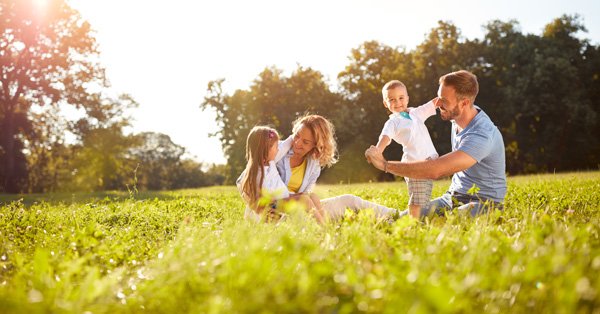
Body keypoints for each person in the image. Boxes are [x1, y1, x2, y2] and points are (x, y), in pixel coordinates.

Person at [365, 70, 507, 217]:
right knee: (406, 219)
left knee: (454, 219)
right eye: (439, 98)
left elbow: (435, 170)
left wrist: (385, 165)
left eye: (444, 101)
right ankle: (353, 206)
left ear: (464, 103)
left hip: (484, 203)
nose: (439, 104)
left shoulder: (482, 134)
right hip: (451, 198)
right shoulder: (456, 117)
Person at [276, 115, 399, 222]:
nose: (297, 143)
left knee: (349, 200)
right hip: (276, 211)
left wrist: (317, 212)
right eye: (296, 136)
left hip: (301, 208)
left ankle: (398, 216)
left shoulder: (313, 163)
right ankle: (323, 228)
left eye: (305, 142)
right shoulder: (276, 152)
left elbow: (307, 195)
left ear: (316, 145)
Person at [375, 80, 439, 218]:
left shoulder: (416, 113)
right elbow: (385, 137)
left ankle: (415, 220)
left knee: (423, 196)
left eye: (401, 98)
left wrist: (447, 98)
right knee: (417, 199)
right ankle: (412, 223)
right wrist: (378, 150)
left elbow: (432, 104)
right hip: (414, 163)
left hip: (429, 162)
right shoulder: (393, 122)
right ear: (386, 104)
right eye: (392, 99)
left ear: (407, 98)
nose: (397, 102)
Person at [237, 126, 326, 223]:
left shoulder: (270, 163)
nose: (278, 149)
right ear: (266, 150)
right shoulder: (256, 172)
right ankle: (323, 228)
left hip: (281, 200)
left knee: (313, 197)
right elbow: (267, 200)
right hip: (271, 208)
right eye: (276, 147)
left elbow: (285, 145)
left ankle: (324, 224)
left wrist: (298, 133)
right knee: (304, 200)